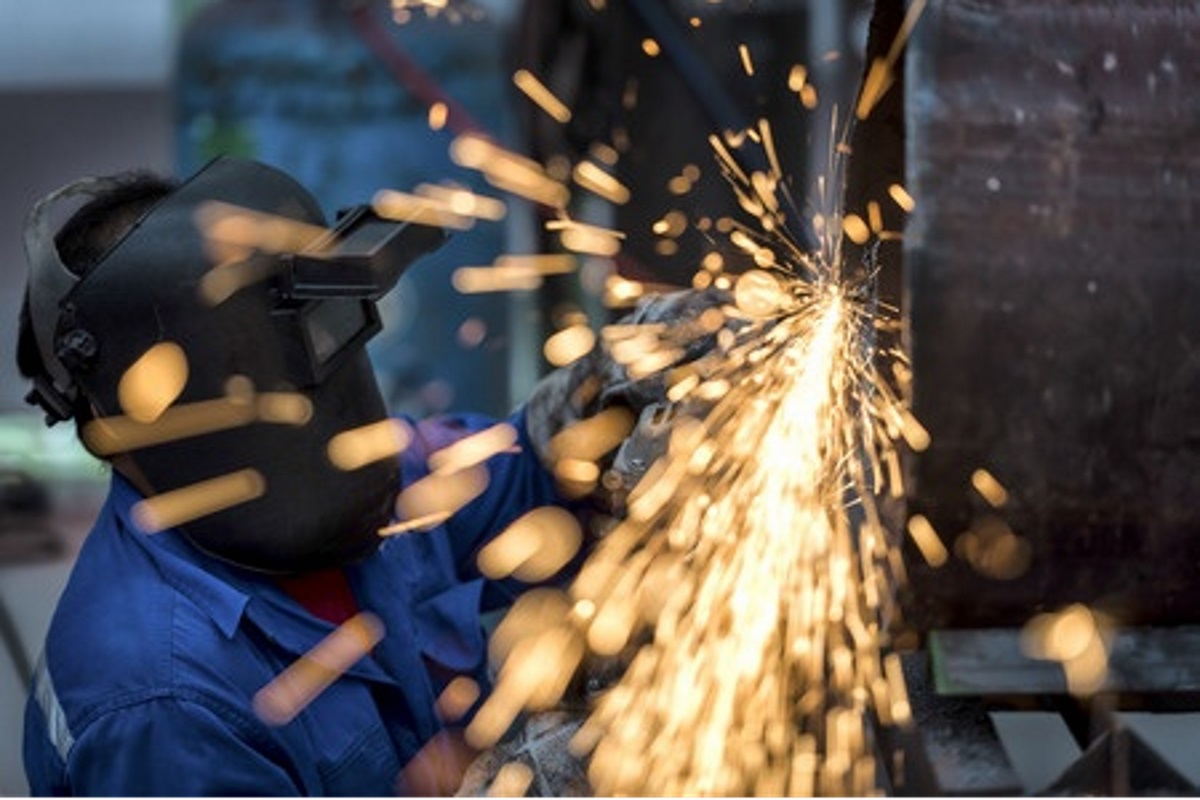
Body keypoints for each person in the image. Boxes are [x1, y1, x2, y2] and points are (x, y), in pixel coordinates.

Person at [16, 156, 716, 796]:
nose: (315, 384)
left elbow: (526, 474)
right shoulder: (162, 703)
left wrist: (621, 388)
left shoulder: (338, 478)